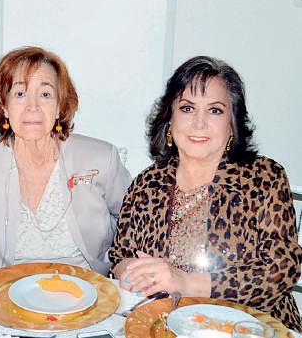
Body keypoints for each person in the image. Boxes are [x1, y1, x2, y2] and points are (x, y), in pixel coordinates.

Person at [109, 56, 302, 331]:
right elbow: (120, 256)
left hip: (252, 327)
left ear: (232, 123)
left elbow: (281, 270)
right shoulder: (147, 183)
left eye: (214, 110)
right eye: (187, 108)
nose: (199, 123)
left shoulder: (265, 178)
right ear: (170, 119)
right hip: (162, 324)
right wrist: (132, 272)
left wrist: (185, 282)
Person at [0, 47, 131, 274]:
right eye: (20, 94)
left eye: (45, 94)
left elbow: (135, 223)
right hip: (6, 291)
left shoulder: (100, 158)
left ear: (59, 106)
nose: (32, 106)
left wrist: (123, 267)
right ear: (4, 106)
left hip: (86, 290)